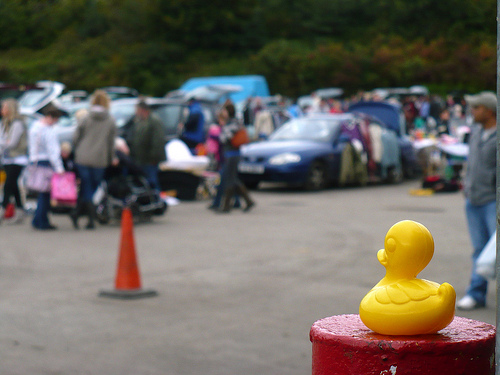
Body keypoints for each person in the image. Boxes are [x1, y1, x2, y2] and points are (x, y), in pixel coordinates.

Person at [456, 91, 497, 310]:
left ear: (489, 110)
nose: (472, 111)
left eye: (477, 107)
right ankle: (476, 292)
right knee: (480, 249)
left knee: (495, 249)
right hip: (473, 199)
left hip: (492, 201)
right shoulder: (475, 132)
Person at [71, 90, 117, 229]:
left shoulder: (86, 117)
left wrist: (77, 150)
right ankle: (90, 219)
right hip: (99, 159)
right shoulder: (110, 120)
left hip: (83, 157)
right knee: (91, 188)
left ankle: (78, 214)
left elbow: (75, 137)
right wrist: (110, 158)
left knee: (86, 188)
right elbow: (111, 142)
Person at [28, 104, 65, 230]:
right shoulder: (48, 131)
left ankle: (39, 220)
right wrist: (59, 168)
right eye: (55, 120)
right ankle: (41, 221)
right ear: (50, 117)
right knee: (46, 194)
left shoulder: (34, 128)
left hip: (36, 162)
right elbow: (53, 151)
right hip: (47, 163)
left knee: (41, 193)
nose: (55, 123)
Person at [217, 103, 254, 213]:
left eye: (224, 110)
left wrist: (221, 129)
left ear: (228, 111)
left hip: (232, 154)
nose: (222, 113)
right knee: (233, 179)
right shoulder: (234, 122)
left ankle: (226, 206)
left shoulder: (232, 123)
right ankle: (248, 201)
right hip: (232, 154)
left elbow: (223, 138)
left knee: (230, 179)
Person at [125, 99, 166, 192]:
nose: (135, 112)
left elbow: (158, 141)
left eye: (137, 109)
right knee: (145, 181)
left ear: (142, 109)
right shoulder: (140, 120)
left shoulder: (154, 121)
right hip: (141, 159)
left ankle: (157, 200)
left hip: (150, 159)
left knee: (152, 181)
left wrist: (154, 158)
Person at [0, 98, 28, 224]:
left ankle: (2, 210)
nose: (2, 110)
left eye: (4, 108)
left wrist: (3, 143)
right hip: (7, 158)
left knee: (7, 186)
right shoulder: (4, 123)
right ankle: (21, 211)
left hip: (18, 158)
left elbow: (12, 143)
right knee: (14, 186)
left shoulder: (17, 123)